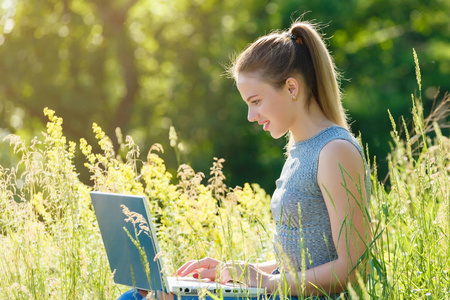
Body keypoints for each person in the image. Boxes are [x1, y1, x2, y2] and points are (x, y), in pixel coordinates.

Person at [119, 19, 371, 300]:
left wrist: (263, 283)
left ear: (291, 88)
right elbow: (303, 260)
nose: (251, 116)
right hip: (277, 292)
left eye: (256, 101)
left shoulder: (336, 151)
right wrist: (236, 272)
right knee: (140, 294)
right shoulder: (300, 150)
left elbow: (355, 269)